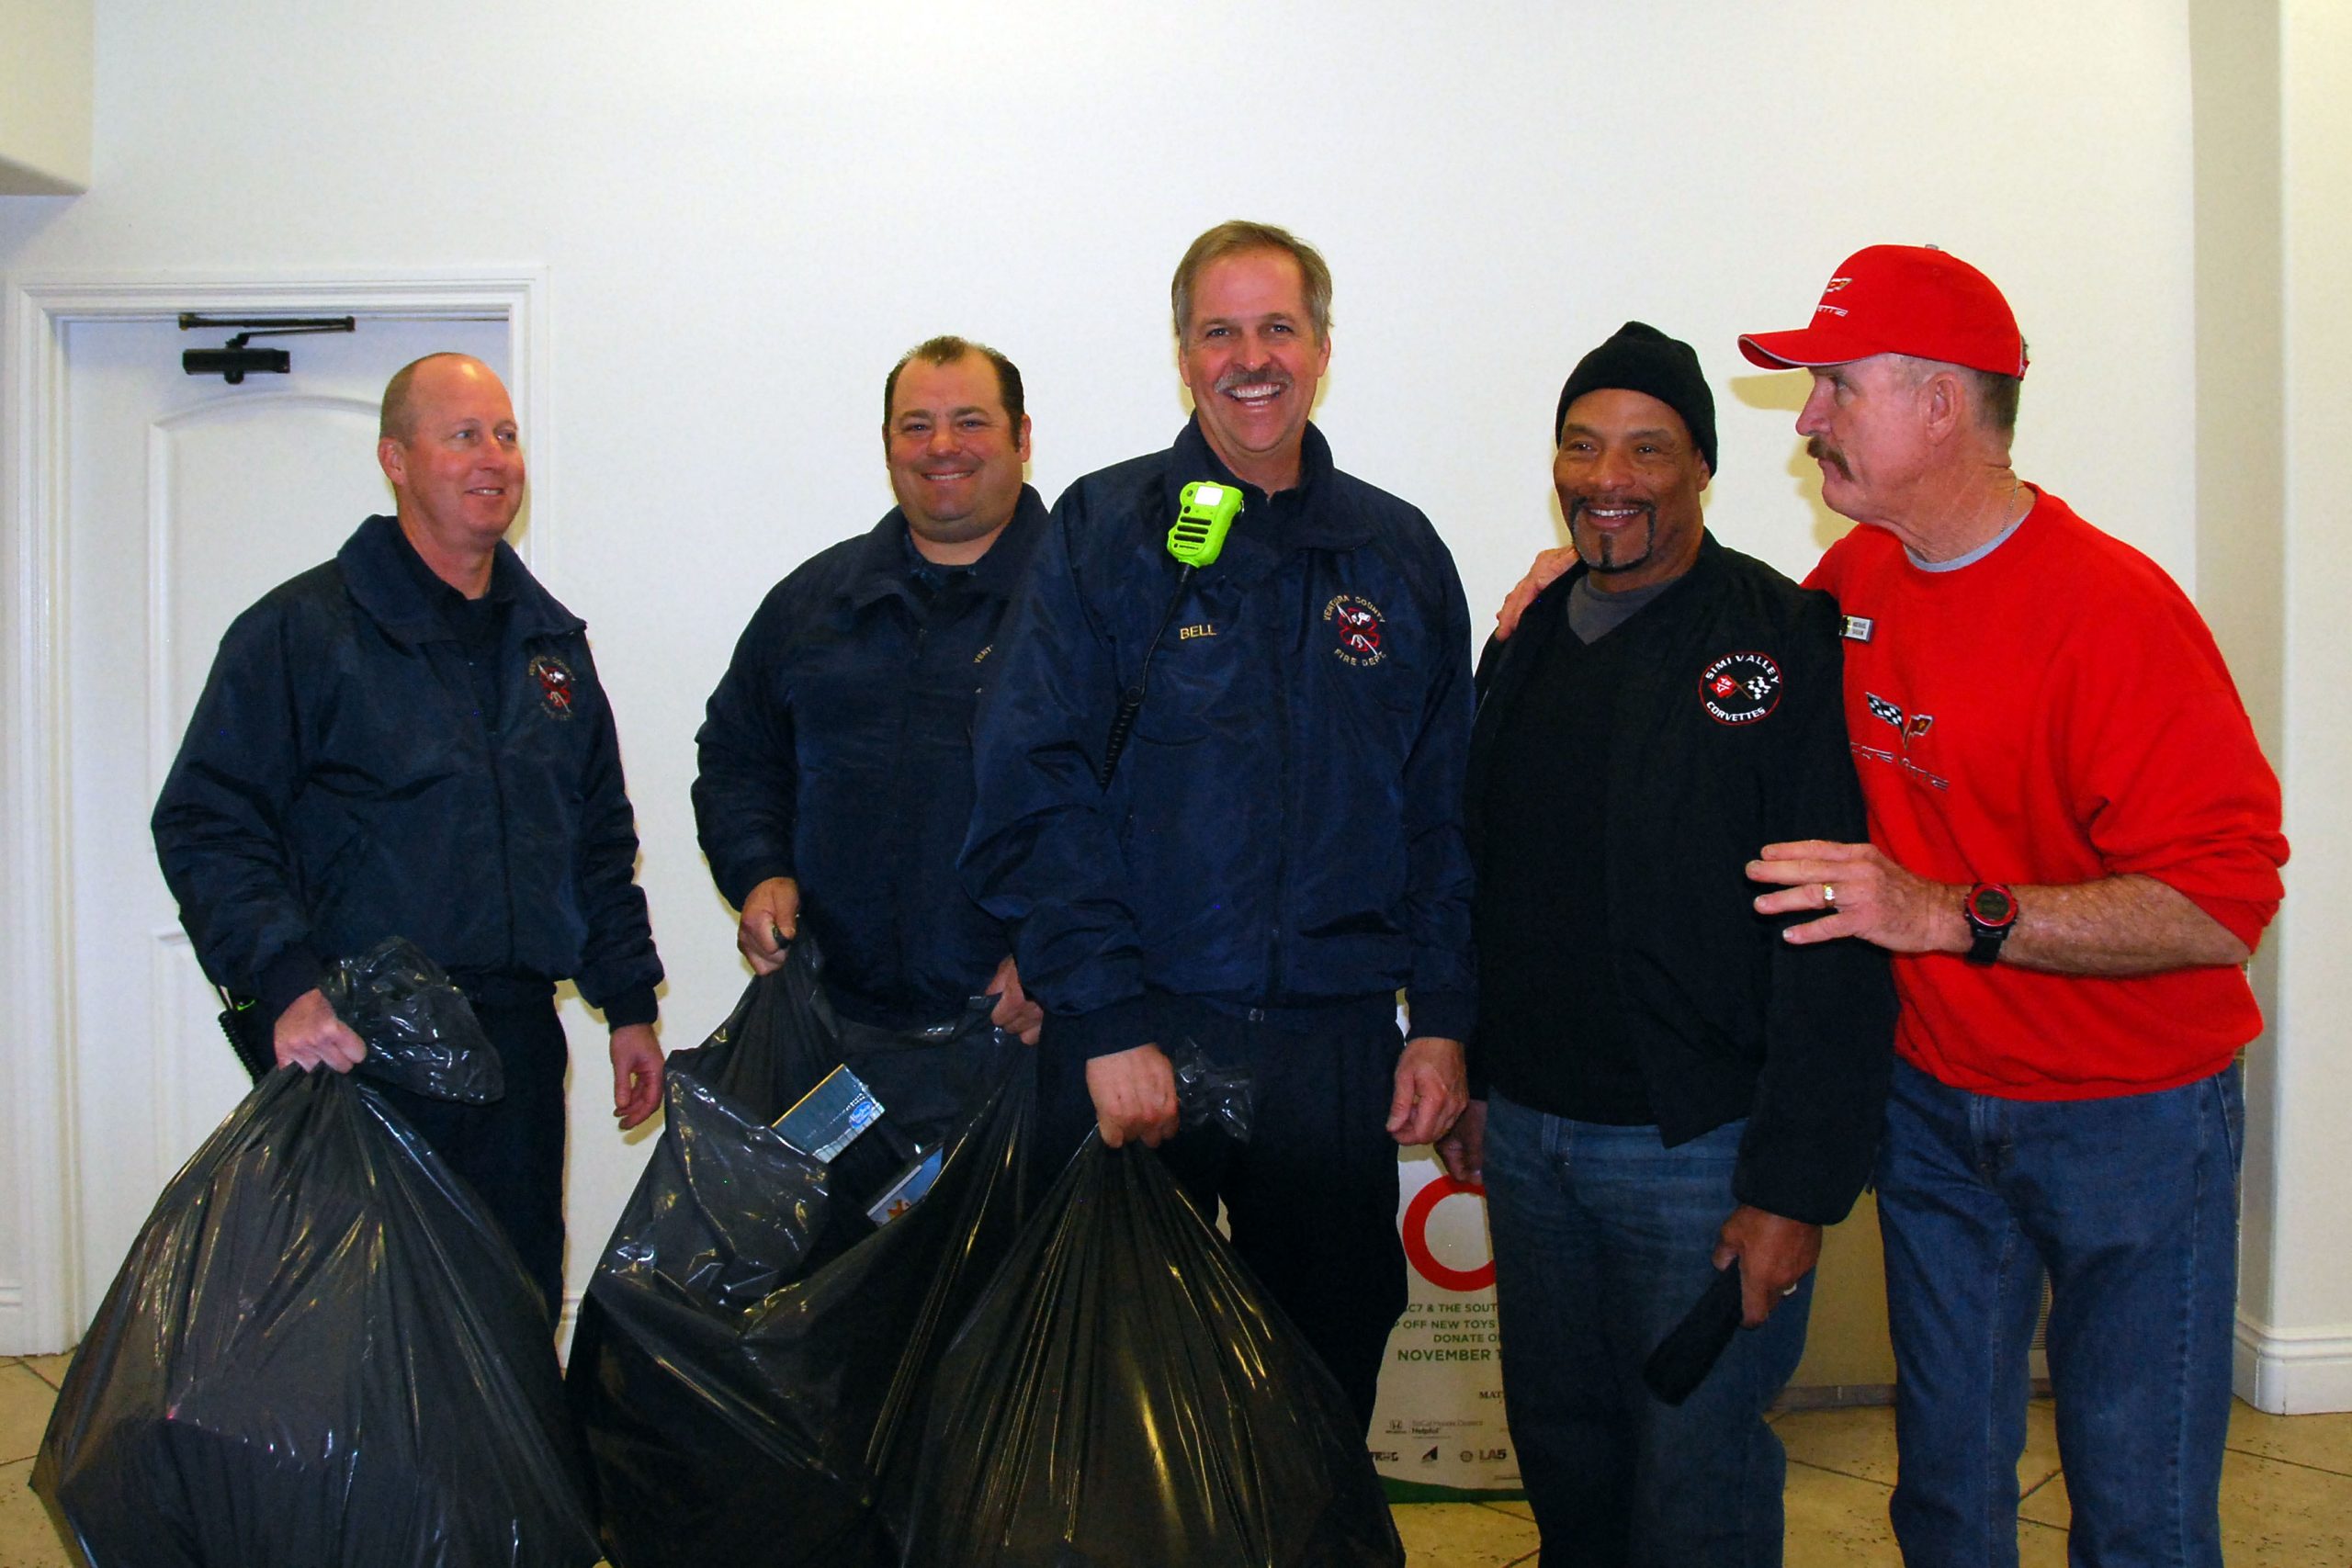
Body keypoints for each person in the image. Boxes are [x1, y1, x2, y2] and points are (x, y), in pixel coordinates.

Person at [1736, 245, 2289, 1567]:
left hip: (2132, 1125)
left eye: (1833, 386)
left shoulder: (2114, 612)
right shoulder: (1854, 587)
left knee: (2139, 1509)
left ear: (1941, 402)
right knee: (1946, 1494)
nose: (1808, 419)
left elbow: (2222, 904)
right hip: (1933, 1114)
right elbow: (1729, 695)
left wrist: (1950, 914)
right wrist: (1574, 585)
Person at [960, 220, 1476, 1430]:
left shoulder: (1395, 556)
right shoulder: (1107, 532)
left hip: (1334, 1048)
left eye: (1278, 327)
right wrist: (1103, 1016)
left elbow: (1445, 812)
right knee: (1121, 1402)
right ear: (1185, 356)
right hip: (1148, 1035)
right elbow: (1034, 775)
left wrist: (1445, 1021)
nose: (1253, 357)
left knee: (1326, 1375)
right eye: (1221, 331)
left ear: (1323, 347)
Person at [1439, 322, 1894, 1566]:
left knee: (1697, 1472)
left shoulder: (1779, 637)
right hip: (1529, 1138)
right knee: (1566, 1448)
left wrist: (1792, 1186)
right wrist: (1479, 1071)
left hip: (1701, 1150)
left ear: (1701, 467)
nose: (1610, 476)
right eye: (1582, 446)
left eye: (1647, 448)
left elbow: (1836, 935)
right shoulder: (1525, 638)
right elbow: (1489, 869)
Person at [153, 352, 665, 1317]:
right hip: (359, 1043)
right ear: (396, 458)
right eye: (463, 434)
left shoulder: (548, 647)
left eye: (506, 435)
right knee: (369, 1325)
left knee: (507, 1303)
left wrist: (628, 1003)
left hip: (512, 1042)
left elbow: (596, 837)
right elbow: (208, 818)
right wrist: (285, 985)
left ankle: (505, 1475)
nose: (494, 458)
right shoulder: (301, 632)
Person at [694, 335, 1045, 1042]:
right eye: (916, 425)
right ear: (888, 445)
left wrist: (1064, 957)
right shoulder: (813, 604)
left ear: (1022, 437)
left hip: (1023, 1035)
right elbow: (738, 758)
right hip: (829, 1031)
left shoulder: (1080, 605)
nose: (942, 445)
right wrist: (759, 869)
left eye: (971, 421)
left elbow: (1151, 806)